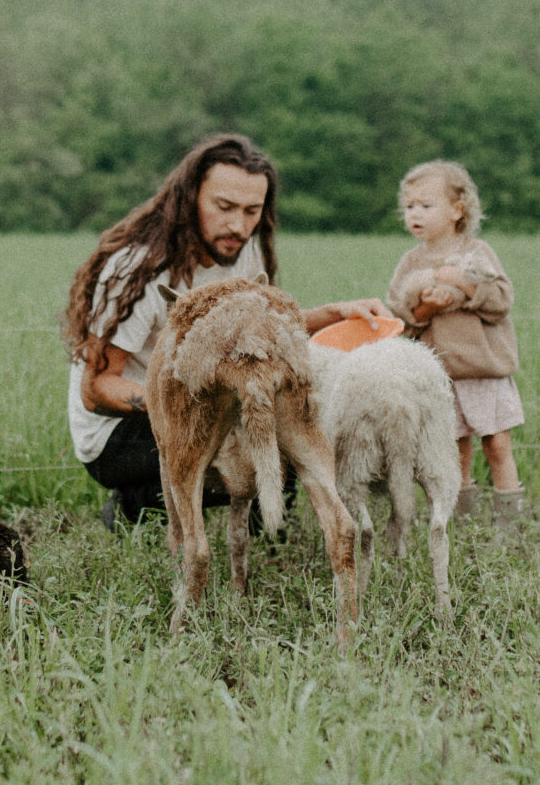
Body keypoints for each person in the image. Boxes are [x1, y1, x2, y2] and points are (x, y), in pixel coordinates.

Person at [62, 133, 384, 529]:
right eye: (224, 207)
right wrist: (187, 403)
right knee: (243, 458)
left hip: (207, 400)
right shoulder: (139, 269)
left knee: (284, 445)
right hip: (118, 433)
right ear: (190, 197)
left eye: (252, 211)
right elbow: (96, 390)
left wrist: (337, 312)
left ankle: (264, 541)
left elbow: (262, 327)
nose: (238, 225)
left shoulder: (240, 248)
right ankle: (136, 507)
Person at [386, 160, 525, 527]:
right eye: (409, 207)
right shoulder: (411, 262)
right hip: (441, 375)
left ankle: (509, 525)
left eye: (426, 206)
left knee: (496, 444)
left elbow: (501, 300)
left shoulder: (476, 253)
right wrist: (426, 306)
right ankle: (462, 523)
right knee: (455, 450)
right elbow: (399, 315)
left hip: (484, 370)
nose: (415, 214)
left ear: (457, 209)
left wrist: (462, 283)